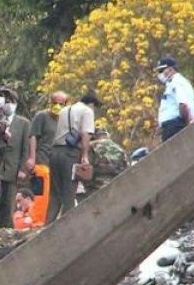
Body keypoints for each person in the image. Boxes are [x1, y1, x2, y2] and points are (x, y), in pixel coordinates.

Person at [46, 92, 97, 223]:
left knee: (55, 194)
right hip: (70, 154)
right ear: (91, 104)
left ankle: (47, 227)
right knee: (69, 194)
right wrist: (85, 156)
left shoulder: (64, 110)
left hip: (55, 153)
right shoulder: (87, 111)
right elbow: (85, 134)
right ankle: (65, 228)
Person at [0, 91, 32, 228]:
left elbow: (25, 148)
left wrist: (22, 169)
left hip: (13, 168)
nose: (8, 104)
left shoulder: (24, 123)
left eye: (12, 101)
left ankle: (8, 227)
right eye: (6, 101)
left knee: (9, 199)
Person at [28, 91, 67, 227]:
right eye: (55, 103)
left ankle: (48, 223)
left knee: (54, 195)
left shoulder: (65, 119)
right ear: (50, 102)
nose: (57, 106)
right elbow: (33, 136)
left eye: (61, 104)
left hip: (56, 162)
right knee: (40, 194)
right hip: (41, 160)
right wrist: (32, 158)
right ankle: (36, 223)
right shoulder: (42, 116)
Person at [155, 56, 194, 143]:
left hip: (176, 126)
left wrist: (187, 124)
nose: (160, 74)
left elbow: (183, 104)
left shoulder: (177, 82)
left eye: (162, 70)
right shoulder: (172, 83)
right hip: (171, 127)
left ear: (170, 69)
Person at [84, 127, 128, 195]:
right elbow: (126, 168)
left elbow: (86, 168)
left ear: (94, 136)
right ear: (107, 135)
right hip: (118, 186)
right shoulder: (119, 148)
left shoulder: (91, 146)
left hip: (97, 187)